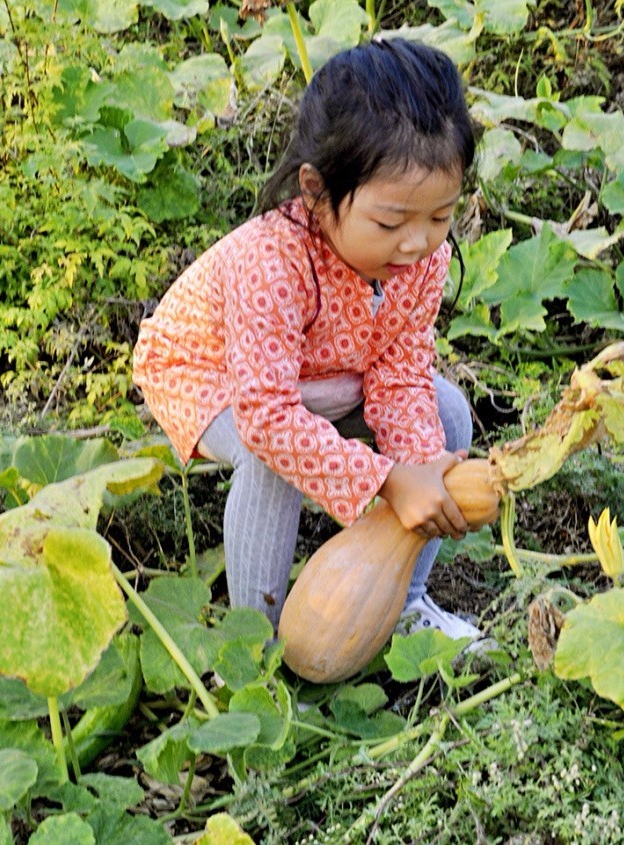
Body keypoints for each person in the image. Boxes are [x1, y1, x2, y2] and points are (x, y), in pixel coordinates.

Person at [132, 38, 483, 645]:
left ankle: (405, 599)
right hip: (217, 378)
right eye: (391, 222)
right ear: (316, 191)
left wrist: (417, 474)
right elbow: (267, 418)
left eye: (440, 216)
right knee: (272, 456)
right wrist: (384, 480)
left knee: (445, 412)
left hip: (324, 373)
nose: (417, 243)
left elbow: (399, 373)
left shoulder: (425, 258)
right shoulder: (270, 261)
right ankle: (254, 642)